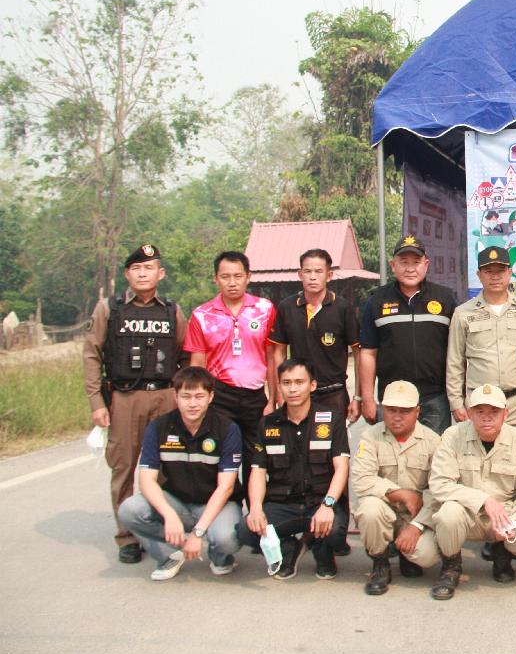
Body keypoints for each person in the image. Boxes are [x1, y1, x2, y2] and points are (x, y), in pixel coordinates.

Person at [83, 243, 187, 564]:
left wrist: (183, 398)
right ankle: (127, 536)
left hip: (165, 397)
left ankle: (164, 527)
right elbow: (91, 354)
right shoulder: (109, 309)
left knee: (169, 467)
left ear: (160, 273)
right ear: (127, 274)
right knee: (124, 467)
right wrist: (97, 402)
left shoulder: (172, 311)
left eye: (149, 268)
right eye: (137, 269)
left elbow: (186, 355)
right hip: (125, 398)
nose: (143, 274)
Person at [117, 366, 243, 580]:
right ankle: (170, 554)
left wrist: (198, 532)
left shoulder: (227, 429)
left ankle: (220, 557)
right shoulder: (159, 427)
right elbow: (146, 481)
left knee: (227, 538)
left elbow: (226, 487)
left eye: (199, 396)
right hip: (177, 502)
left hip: (216, 504)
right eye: (186, 396)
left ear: (211, 397)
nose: (192, 403)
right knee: (129, 509)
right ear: (175, 397)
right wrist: (169, 515)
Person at [427, 383, 516, 600]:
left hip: (504, 515)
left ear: (505, 414)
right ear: (469, 413)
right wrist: (484, 500)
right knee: (448, 514)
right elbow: (440, 483)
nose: (487, 418)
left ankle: (502, 553)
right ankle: (451, 565)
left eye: (494, 412)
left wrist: (515, 522)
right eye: (480, 411)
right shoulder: (452, 436)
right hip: (467, 513)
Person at [236, 359, 350, 580]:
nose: (293, 389)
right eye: (287, 383)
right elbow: (258, 471)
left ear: (312, 385)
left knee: (335, 531)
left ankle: (323, 552)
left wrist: (327, 505)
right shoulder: (267, 424)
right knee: (244, 530)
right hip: (283, 505)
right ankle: (289, 548)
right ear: (279, 386)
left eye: (299, 382)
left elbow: (341, 468)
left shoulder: (332, 420)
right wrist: (256, 508)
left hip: (319, 503)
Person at [185, 251, 276, 486]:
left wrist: (273, 399)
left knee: (256, 458)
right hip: (219, 395)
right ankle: (227, 504)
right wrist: (198, 400)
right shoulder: (202, 315)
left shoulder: (264, 309)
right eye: (225, 277)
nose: (232, 282)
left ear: (248, 277)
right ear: (216, 278)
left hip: (255, 396)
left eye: (238, 276)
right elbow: (197, 363)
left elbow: (272, 357)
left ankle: (254, 505)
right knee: (221, 455)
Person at [358, 235, 457, 433]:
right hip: (393, 399)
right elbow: (368, 353)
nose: (410, 269)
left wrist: (458, 399)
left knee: (435, 452)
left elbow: (457, 353)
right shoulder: (376, 301)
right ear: (393, 265)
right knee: (393, 453)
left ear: (426, 265)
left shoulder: (445, 298)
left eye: (416, 262)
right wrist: (367, 399)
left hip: (435, 398)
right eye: (404, 262)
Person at [352, 380, 442, 595]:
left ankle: (406, 555)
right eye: (391, 410)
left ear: (417, 411)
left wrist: (416, 526)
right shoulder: (370, 437)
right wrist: (399, 493)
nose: (397, 416)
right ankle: (380, 562)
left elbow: (440, 489)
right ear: (383, 409)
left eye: (405, 411)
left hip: (415, 516)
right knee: (369, 509)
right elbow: (361, 478)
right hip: (385, 511)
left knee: (427, 556)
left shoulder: (433, 441)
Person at [446, 246, 516, 437]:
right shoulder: (463, 313)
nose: (495, 277)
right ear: (479, 275)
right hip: (479, 403)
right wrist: (456, 402)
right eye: (488, 271)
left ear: (510, 273)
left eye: (500, 271)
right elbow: (455, 362)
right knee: (478, 454)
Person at [268, 248, 361, 423]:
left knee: (333, 440)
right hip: (298, 394)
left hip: (334, 393)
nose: (312, 277)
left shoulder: (343, 308)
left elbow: (358, 353)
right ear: (300, 274)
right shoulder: (287, 307)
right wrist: (280, 393)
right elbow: (278, 352)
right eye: (307, 271)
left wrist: (358, 397)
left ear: (329, 275)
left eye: (318, 271)